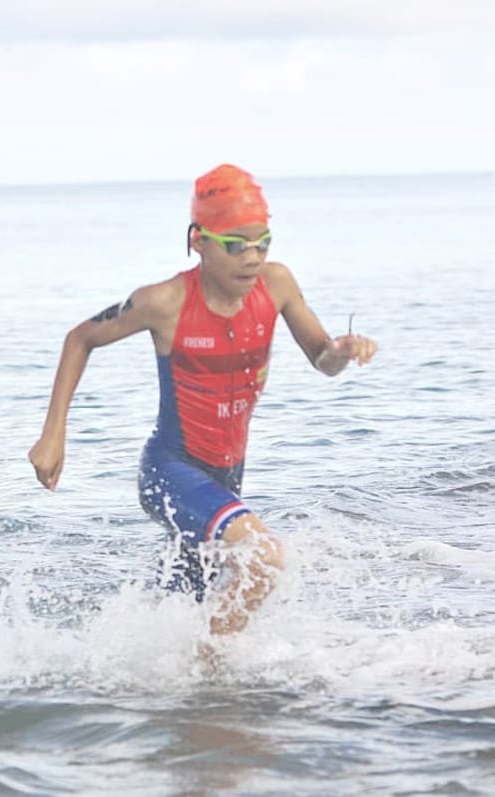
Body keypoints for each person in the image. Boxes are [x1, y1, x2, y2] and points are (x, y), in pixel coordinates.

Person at [29, 164, 377, 635]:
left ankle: (149, 683)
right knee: (263, 558)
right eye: (236, 245)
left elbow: (321, 358)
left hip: (226, 477)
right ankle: (211, 677)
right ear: (199, 241)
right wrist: (53, 437)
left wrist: (339, 352)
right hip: (170, 472)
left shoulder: (277, 286)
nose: (252, 258)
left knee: (184, 609)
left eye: (263, 242)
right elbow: (79, 338)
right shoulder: (165, 302)